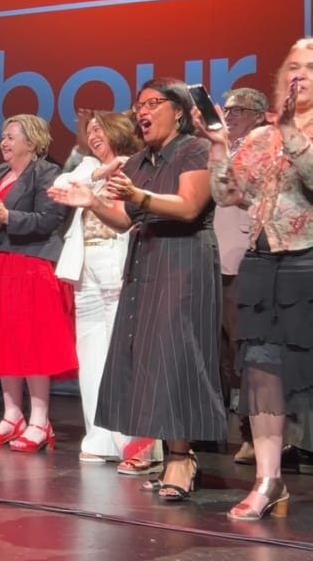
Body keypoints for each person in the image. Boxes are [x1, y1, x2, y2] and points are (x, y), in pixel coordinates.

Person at [53, 78, 224, 501]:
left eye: (152, 103)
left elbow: (188, 207)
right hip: (146, 260)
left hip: (184, 261)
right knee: (151, 359)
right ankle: (169, 457)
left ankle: (184, 459)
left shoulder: (193, 149)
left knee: (178, 355)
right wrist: (91, 202)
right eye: (138, 105)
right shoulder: (142, 161)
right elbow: (124, 219)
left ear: (179, 110)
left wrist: (139, 197)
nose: (142, 112)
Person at [199, 40, 313, 519]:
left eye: (309, 68)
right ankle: (269, 481)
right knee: (262, 371)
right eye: (293, 67)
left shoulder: (286, 131)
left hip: (309, 258)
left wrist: (289, 130)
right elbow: (228, 195)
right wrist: (220, 146)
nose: (299, 75)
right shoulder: (262, 137)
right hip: (263, 261)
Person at [0, 115, 76, 452]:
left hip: (27, 265)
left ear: (32, 142)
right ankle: (11, 415)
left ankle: (39, 419)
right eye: (3, 136)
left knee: (31, 341)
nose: (3, 143)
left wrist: (12, 217)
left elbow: (51, 219)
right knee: (0, 340)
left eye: (11, 137)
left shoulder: (48, 172)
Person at [51, 110, 161, 472]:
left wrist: (110, 170)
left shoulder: (136, 163)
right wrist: (98, 169)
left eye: (101, 129)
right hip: (86, 269)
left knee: (124, 353)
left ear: (118, 131)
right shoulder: (86, 168)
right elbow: (60, 188)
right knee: (92, 354)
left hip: (118, 262)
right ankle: (100, 437)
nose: (95, 135)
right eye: (90, 131)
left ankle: (137, 440)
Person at [212, 87, 268, 465]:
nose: (230, 116)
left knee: (244, 353)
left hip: (246, 260)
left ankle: (252, 433)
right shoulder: (223, 150)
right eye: (227, 109)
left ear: (259, 116)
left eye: (239, 110)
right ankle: (211, 427)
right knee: (215, 352)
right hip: (210, 262)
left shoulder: (261, 150)